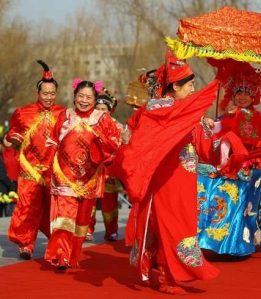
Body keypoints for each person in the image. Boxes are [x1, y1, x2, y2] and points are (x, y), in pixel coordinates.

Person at [111, 49, 247, 295]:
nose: (193, 90)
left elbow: (205, 146)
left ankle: (159, 270)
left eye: (194, 85)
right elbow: (141, 138)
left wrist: (225, 144)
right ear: (175, 86)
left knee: (179, 225)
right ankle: (165, 275)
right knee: (169, 226)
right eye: (190, 85)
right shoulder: (158, 109)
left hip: (184, 181)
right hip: (164, 180)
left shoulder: (191, 114)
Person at [43, 79, 121, 271]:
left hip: (90, 177)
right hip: (64, 174)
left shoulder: (102, 119)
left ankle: (73, 256)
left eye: (89, 97)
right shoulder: (64, 116)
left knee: (82, 219)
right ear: (74, 96)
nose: (84, 101)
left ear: (95, 99)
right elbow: (52, 142)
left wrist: (103, 144)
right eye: (81, 96)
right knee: (64, 216)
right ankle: (61, 256)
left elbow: (114, 142)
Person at [4, 60, 65, 260]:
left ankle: (57, 243)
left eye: (52, 93)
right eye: (45, 93)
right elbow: (12, 132)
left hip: (54, 170)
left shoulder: (63, 114)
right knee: (27, 207)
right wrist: (12, 139)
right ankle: (26, 244)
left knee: (53, 209)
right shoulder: (23, 112)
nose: (48, 97)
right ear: (38, 93)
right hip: (30, 169)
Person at [86, 91, 124, 242]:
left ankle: (111, 231)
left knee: (110, 204)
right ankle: (87, 229)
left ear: (110, 111)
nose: (101, 112)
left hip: (109, 169)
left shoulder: (117, 126)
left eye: (104, 110)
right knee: (90, 203)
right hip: (92, 169)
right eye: (98, 109)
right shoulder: (88, 124)